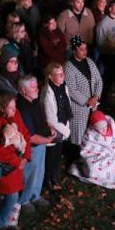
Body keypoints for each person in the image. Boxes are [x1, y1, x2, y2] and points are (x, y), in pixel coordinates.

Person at [0, 93, 29, 230]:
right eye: (11, 107)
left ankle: (10, 220)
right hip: (6, 167)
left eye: (15, 106)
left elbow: (25, 133)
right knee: (11, 196)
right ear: (2, 108)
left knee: (12, 195)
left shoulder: (14, 116)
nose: (14, 109)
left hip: (16, 165)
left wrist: (26, 157)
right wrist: (18, 161)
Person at [68, 110, 115, 191]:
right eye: (99, 129)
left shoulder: (112, 129)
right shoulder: (90, 133)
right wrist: (101, 153)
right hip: (98, 155)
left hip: (113, 151)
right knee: (93, 168)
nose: (103, 130)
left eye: (104, 128)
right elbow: (87, 147)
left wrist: (112, 151)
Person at [15, 76, 52, 214]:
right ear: (24, 90)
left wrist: (50, 129)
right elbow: (30, 137)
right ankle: (24, 200)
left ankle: (35, 195)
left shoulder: (34, 101)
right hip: (31, 147)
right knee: (30, 174)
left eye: (37, 85)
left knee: (39, 170)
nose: (37, 89)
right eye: (33, 87)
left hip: (41, 142)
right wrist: (48, 141)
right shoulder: (22, 108)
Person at [64, 37, 103, 150]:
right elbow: (71, 90)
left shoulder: (90, 62)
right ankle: (74, 156)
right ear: (74, 50)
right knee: (78, 134)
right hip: (79, 108)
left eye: (85, 49)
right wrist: (87, 101)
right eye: (81, 49)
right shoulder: (68, 67)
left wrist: (96, 96)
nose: (85, 51)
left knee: (91, 131)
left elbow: (98, 80)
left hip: (93, 105)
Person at [40, 63, 72, 191]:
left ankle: (54, 178)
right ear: (50, 76)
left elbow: (66, 107)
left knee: (57, 156)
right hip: (53, 130)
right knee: (51, 157)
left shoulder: (63, 87)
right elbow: (50, 118)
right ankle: (48, 181)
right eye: (58, 74)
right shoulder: (48, 92)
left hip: (63, 127)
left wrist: (66, 127)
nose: (62, 76)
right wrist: (66, 131)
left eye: (62, 73)